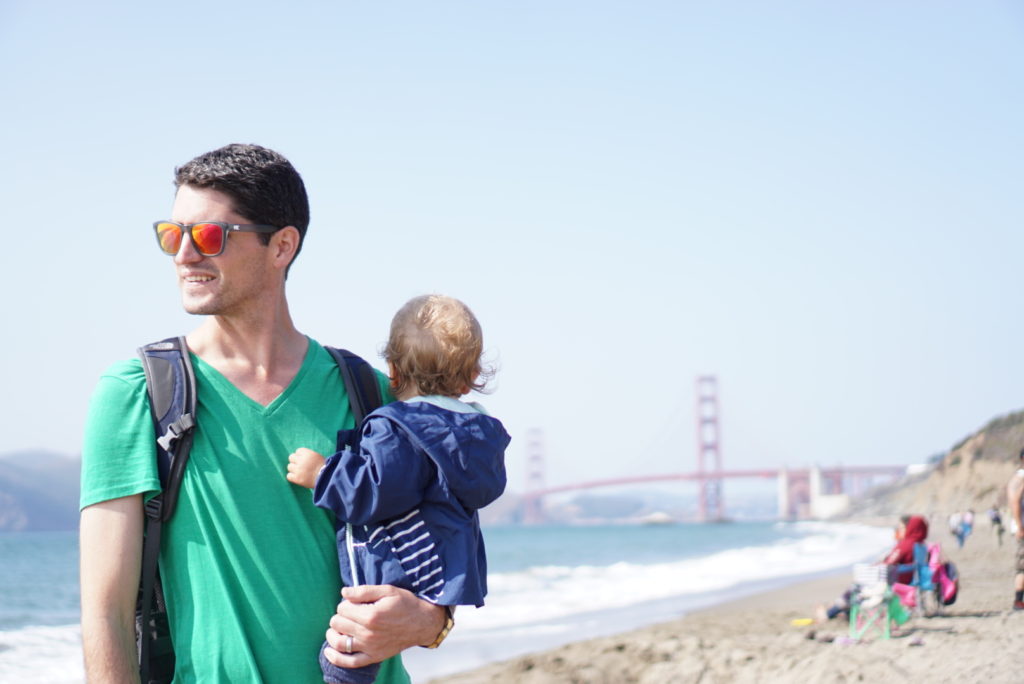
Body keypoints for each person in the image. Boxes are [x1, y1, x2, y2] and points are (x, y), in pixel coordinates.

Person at [79, 144, 447, 683]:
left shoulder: (372, 394)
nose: (183, 254)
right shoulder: (139, 393)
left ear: (282, 246)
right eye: (171, 234)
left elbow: (440, 558)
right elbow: (105, 613)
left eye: (209, 236)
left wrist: (428, 621)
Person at [287, 294, 510, 684]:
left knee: (351, 650)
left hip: (403, 554)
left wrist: (322, 472)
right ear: (473, 372)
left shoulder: (396, 426)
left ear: (393, 369)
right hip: (442, 567)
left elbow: (375, 491)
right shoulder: (482, 430)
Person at [1007, 448, 1024, 611]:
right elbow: (1015, 502)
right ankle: (1018, 600)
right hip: (1023, 529)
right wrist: (1020, 526)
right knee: (1022, 566)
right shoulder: (1020, 478)